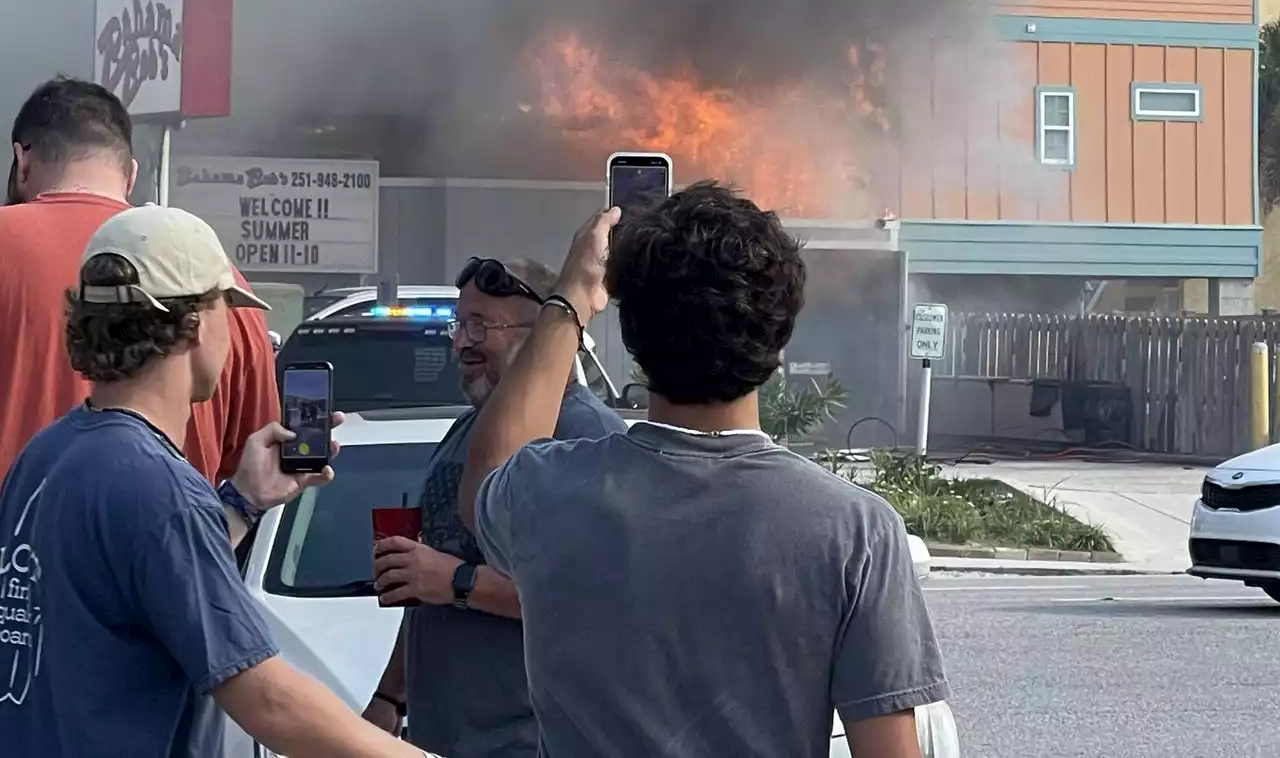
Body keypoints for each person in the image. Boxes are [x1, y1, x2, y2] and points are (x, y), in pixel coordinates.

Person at [457, 183, 951, 758]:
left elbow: (489, 469)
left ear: (634, 339)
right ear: (780, 334)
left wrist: (569, 299)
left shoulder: (546, 491)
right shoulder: (857, 532)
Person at [0, 203, 436, 758]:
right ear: (198, 324)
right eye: (227, 311)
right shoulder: (157, 488)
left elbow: (132, 588)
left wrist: (241, 504)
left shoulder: (48, 456)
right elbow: (267, 699)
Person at [364, 256, 627, 757]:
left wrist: (459, 581)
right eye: (459, 325)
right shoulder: (464, 431)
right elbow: (425, 582)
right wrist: (389, 697)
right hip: (438, 739)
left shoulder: (589, 438)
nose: (462, 342)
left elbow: (599, 604)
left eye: (481, 325)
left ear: (542, 332)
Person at [0, 76, 277, 483]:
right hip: (176, 538)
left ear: (22, 161)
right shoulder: (218, 282)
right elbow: (258, 464)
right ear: (130, 176)